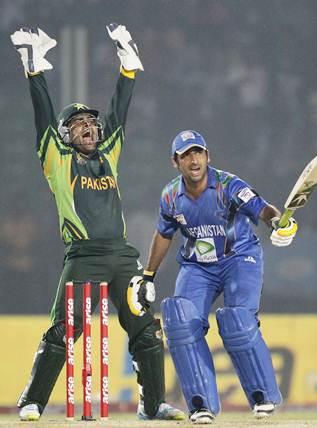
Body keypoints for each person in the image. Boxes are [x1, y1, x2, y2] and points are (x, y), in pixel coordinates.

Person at [10, 25, 185, 422]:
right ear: (64, 135)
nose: (89, 128)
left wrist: (128, 68)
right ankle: (33, 401)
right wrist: (34, 71)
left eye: (92, 122)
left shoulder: (109, 153)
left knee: (146, 330)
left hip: (123, 258)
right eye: (79, 125)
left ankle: (153, 404)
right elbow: (41, 116)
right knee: (63, 332)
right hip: (84, 257)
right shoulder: (56, 159)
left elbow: (119, 110)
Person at [127, 130, 298, 424]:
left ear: (208, 156)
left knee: (237, 321)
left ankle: (262, 396)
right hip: (197, 267)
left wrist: (278, 224)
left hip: (239, 259)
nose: (194, 160)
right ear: (175, 162)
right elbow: (164, 233)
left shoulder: (229, 185)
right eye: (186, 155)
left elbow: (262, 208)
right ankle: (200, 404)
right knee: (180, 321)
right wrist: (148, 276)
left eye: (198, 153)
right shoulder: (170, 195)